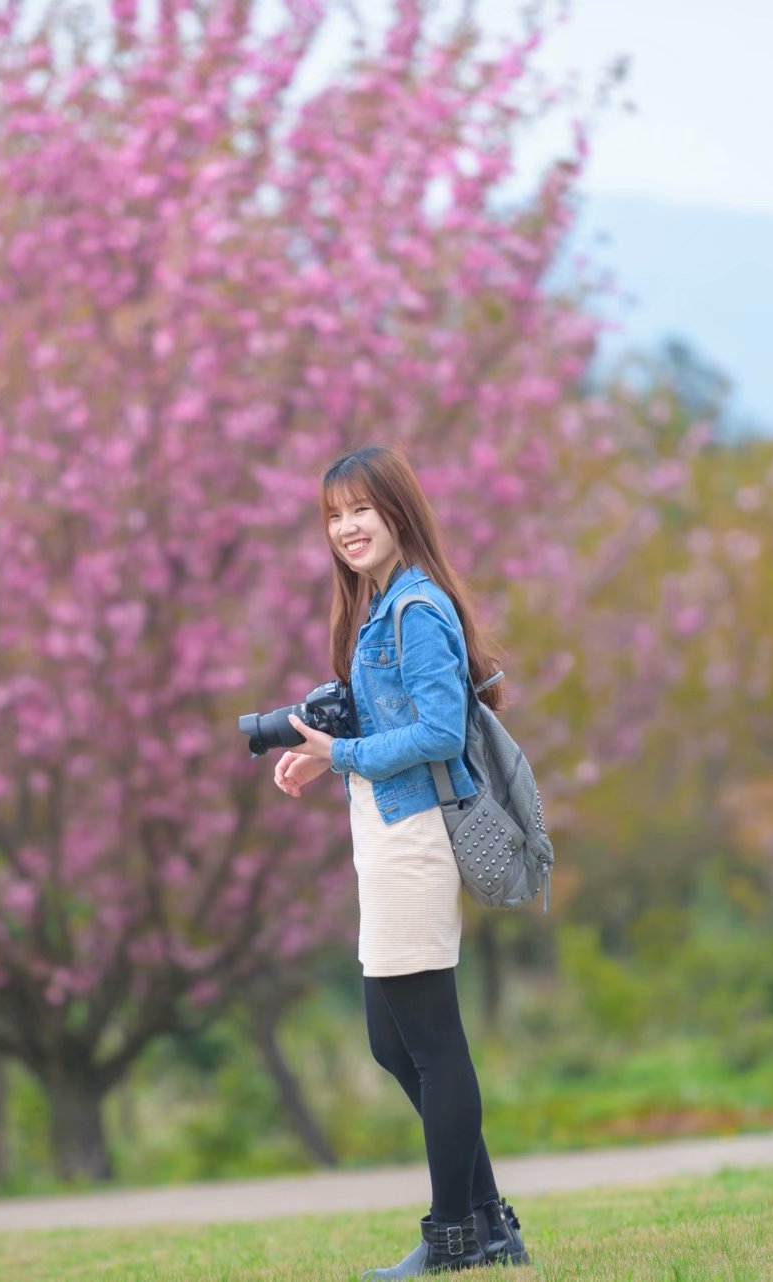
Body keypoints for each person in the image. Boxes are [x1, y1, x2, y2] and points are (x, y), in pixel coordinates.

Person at [274, 444, 533, 1276]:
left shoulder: (416, 608)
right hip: (384, 835)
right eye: (334, 516)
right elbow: (396, 725)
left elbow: (439, 732)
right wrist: (325, 752)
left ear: (396, 511)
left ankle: (456, 1236)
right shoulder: (378, 604)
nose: (347, 528)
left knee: (430, 1043)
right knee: (397, 1043)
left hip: (416, 837)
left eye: (360, 510)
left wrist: (341, 756)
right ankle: (488, 1225)